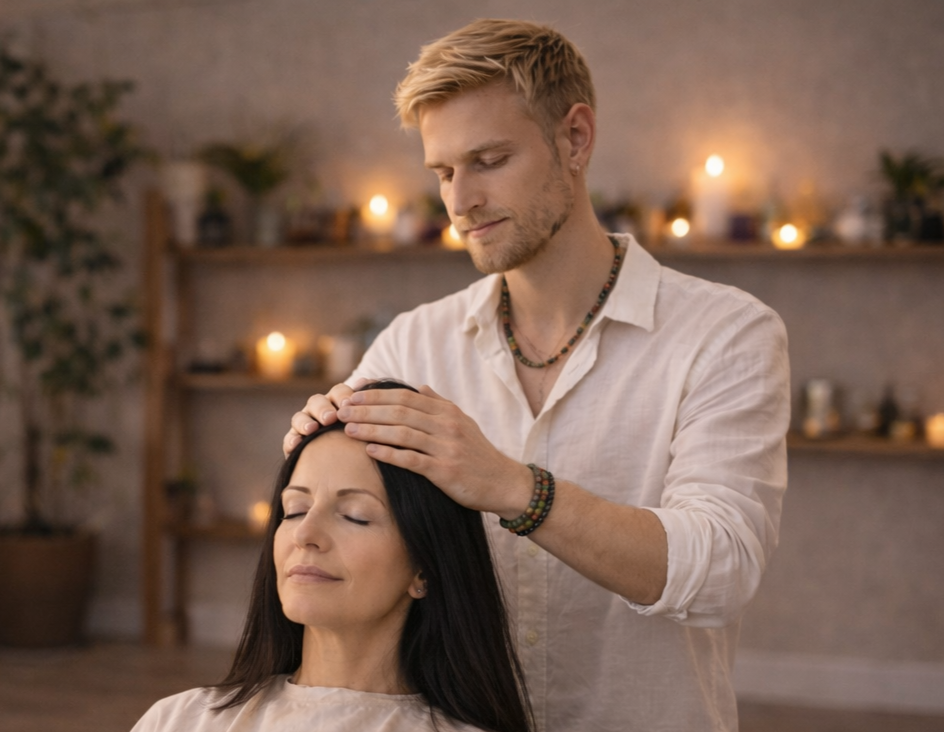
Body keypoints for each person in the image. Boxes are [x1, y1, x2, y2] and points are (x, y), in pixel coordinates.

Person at [284, 19, 789, 732]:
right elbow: (350, 538)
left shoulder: (725, 334)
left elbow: (720, 571)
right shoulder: (410, 344)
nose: (460, 202)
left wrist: (511, 487)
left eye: (488, 160)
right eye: (442, 173)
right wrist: (313, 451)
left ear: (574, 138)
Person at [135, 381, 534, 732]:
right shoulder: (179, 721)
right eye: (293, 510)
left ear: (424, 570)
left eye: (355, 517)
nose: (305, 534)